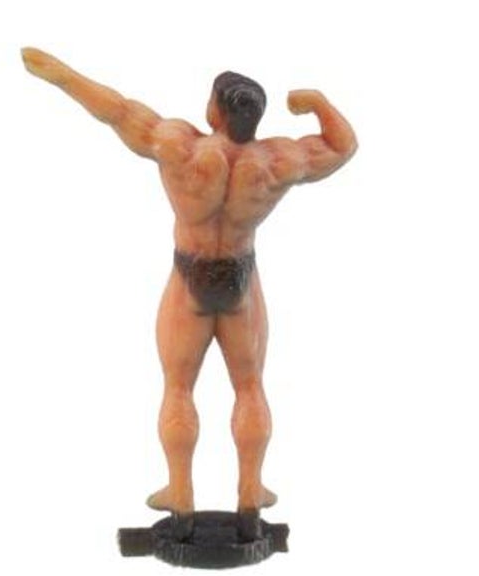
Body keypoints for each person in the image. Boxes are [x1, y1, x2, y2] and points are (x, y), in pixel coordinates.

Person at [22, 48, 357, 539]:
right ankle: (250, 494)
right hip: (239, 280)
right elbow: (343, 146)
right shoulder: (277, 160)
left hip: (190, 276)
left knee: (178, 387)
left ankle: (180, 494)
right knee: (250, 386)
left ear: (215, 111)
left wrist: (63, 76)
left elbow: (117, 109)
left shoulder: (178, 144)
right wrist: (317, 102)